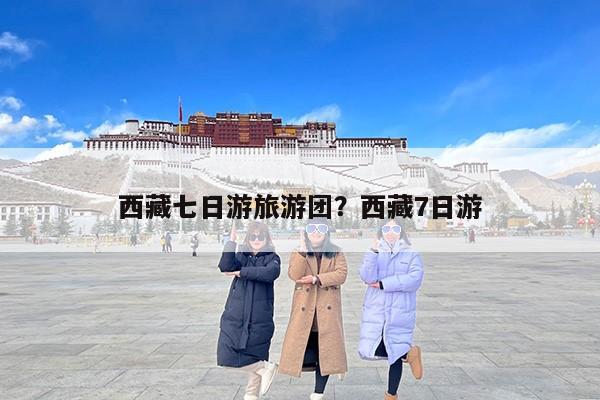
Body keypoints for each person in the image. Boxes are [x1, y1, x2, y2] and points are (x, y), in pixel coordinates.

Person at [279, 218, 348, 400]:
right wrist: (302, 250)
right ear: (306, 232)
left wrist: (317, 278)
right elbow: (294, 275)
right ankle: (336, 366)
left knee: (326, 353)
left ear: (327, 232)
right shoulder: (299, 251)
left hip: (327, 313)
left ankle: (319, 391)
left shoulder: (336, 252)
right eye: (312, 228)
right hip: (306, 311)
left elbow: (341, 274)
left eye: (321, 228)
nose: (316, 232)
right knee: (305, 351)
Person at [358, 217, 424, 400]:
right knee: (378, 349)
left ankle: (391, 395)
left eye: (395, 230)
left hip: (399, 311)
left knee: (395, 352)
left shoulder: (411, 253)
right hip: (377, 310)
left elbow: (415, 280)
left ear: (401, 232)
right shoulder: (375, 252)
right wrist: (372, 251)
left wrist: (385, 284)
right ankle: (409, 353)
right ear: (381, 231)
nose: (391, 233)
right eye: (387, 229)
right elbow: (367, 277)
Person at [217, 222, 280, 400]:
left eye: (260, 236)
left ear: (267, 238)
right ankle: (264, 368)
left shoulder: (273, 258)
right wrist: (231, 242)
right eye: (253, 236)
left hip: (260, 318)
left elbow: (269, 273)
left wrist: (241, 272)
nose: (256, 240)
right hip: (235, 316)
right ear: (248, 238)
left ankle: (251, 395)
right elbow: (225, 266)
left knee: (256, 355)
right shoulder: (240, 256)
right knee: (226, 357)